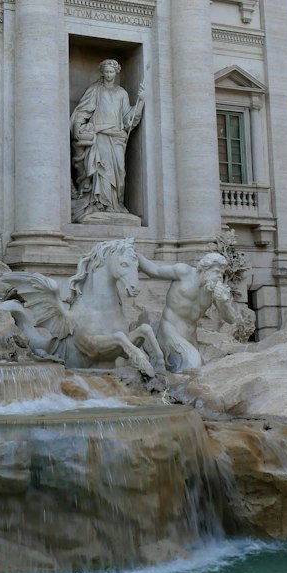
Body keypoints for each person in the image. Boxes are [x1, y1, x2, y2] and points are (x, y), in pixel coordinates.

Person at [136, 250, 238, 371]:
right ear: (205, 268)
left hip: (190, 338)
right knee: (193, 366)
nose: (219, 277)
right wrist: (135, 254)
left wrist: (224, 302)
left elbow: (231, 319)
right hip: (170, 332)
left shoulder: (213, 291)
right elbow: (154, 270)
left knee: (198, 370)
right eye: (216, 272)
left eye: (221, 273)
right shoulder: (184, 272)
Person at [69, 59, 144, 219]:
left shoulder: (122, 93)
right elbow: (83, 110)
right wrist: (78, 126)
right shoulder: (95, 90)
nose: (109, 75)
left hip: (117, 137)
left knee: (119, 171)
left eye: (112, 72)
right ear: (102, 72)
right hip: (100, 135)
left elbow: (127, 119)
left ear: (116, 72)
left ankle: (115, 203)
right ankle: (100, 204)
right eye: (107, 72)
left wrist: (141, 102)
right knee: (102, 170)